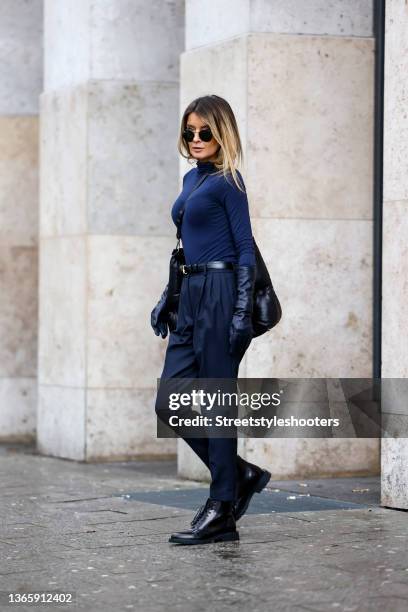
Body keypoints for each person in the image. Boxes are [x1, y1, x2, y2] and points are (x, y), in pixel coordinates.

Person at [151, 94, 270, 545]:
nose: (196, 139)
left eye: (205, 132)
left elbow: (245, 248)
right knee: (170, 402)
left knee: (217, 403)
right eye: (190, 132)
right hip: (190, 294)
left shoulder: (229, 182)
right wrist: (169, 297)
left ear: (222, 134)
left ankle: (222, 508)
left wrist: (241, 312)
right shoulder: (189, 179)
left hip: (221, 294)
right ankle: (238, 474)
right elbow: (186, 245)